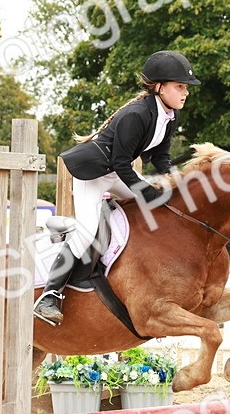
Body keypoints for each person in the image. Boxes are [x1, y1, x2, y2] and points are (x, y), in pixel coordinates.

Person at [34, 50, 199, 326]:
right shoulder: (136, 115)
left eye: (185, 88)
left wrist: (178, 182)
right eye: (179, 86)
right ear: (159, 87)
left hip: (116, 172)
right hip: (93, 174)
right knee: (86, 231)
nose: (185, 93)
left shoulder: (169, 116)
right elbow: (122, 164)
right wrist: (146, 192)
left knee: (161, 204)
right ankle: (50, 295)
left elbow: (160, 158)